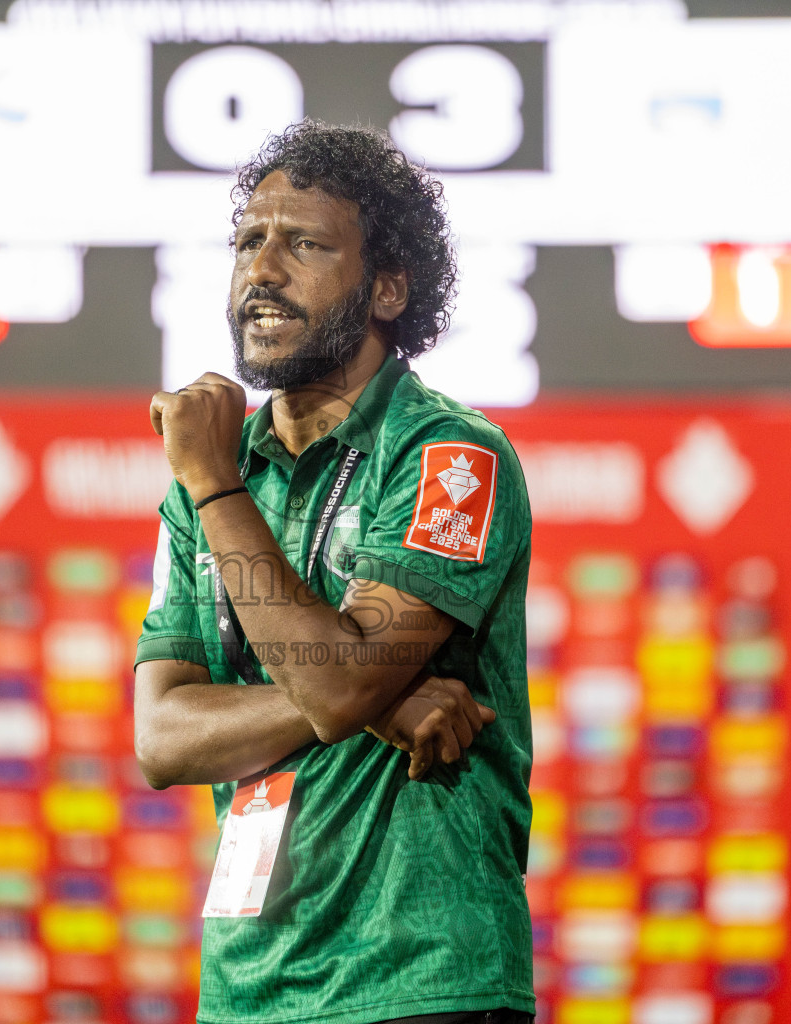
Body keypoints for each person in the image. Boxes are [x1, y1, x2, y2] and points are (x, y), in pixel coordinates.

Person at [133, 121, 534, 1024]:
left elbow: (339, 678)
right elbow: (161, 737)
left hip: (422, 978)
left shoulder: (449, 456)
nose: (262, 270)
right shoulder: (218, 475)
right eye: (248, 241)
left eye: (304, 243)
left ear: (388, 287)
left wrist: (211, 482)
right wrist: (383, 702)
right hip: (247, 989)